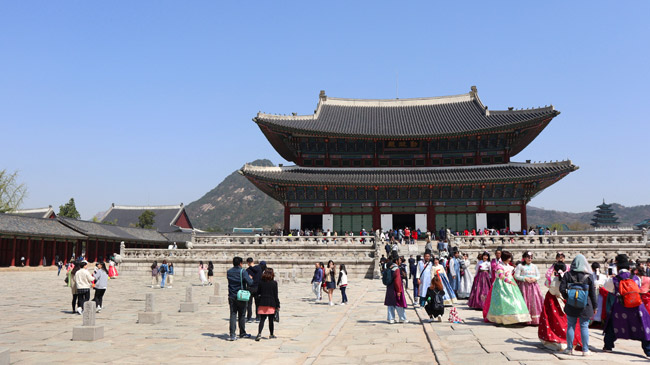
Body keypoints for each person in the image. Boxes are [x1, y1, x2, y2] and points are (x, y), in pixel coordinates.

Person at [601, 254, 650, 356]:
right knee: (643, 326)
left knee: (612, 324)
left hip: (620, 307)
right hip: (636, 307)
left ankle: (608, 346)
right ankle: (648, 350)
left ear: (617, 267)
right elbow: (638, 288)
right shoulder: (636, 278)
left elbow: (608, 288)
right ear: (629, 267)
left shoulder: (614, 280)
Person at [538, 262, 582, 351]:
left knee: (555, 322)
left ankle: (557, 339)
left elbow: (549, 287)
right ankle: (572, 340)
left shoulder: (553, 281)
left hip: (555, 304)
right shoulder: (569, 279)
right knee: (568, 322)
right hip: (567, 302)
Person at [560, 254, 597, 356]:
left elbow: (561, 289)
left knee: (570, 325)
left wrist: (568, 298)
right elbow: (593, 293)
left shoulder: (567, 275)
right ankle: (585, 350)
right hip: (586, 305)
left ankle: (569, 348)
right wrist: (595, 306)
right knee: (584, 327)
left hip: (571, 305)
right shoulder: (588, 276)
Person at [484, 251, 531, 324]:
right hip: (502, 285)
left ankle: (515, 317)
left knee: (515, 299)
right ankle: (502, 318)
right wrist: (508, 281)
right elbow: (501, 276)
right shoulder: (499, 266)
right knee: (503, 301)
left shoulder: (509, 266)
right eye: (508, 258)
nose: (510, 259)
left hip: (511, 285)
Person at [226, 256, 254, 341]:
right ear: (241, 263)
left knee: (233, 314)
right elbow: (250, 282)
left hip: (231, 295)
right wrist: (250, 278)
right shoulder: (243, 271)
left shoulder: (229, 272)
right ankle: (242, 333)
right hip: (241, 296)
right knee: (242, 314)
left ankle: (232, 334)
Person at [514, 251, 544, 325]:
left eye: (531, 258)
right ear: (524, 258)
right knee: (524, 300)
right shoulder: (520, 266)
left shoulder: (534, 266)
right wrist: (524, 278)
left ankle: (535, 319)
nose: (530, 259)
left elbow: (538, 275)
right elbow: (516, 275)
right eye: (528, 257)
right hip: (524, 286)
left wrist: (535, 279)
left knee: (534, 300)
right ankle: (524, 319)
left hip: (533, 286)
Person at [255, 268, 280, 341]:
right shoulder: (274, 283)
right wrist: (278, 305)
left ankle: (259, 333)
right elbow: (276, 295)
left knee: (262, 320)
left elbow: (257, 293)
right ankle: (271, 334)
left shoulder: (260, 282)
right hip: (271, 303)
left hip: (262, 303)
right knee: (271, 320)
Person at [384, 258, 408, 324]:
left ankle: (390, 318)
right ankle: (402, 318)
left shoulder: (390, 268)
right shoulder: (396, 269)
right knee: (399, 303)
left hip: (389, 288)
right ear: (396, 261)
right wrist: (399, 291)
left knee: (390, 303)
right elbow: (397, 281)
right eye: (399, 260)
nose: (400, 261)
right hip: (395, 288)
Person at [246, 258, 261, 323]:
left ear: (248, 263)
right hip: (257, 287)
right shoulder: (259, 269)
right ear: (253, 261)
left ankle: (249, 317)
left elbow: (247, 279)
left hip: (250, 287)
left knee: (249, 303)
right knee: (257, 303)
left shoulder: (247, 270)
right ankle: (258, 317)